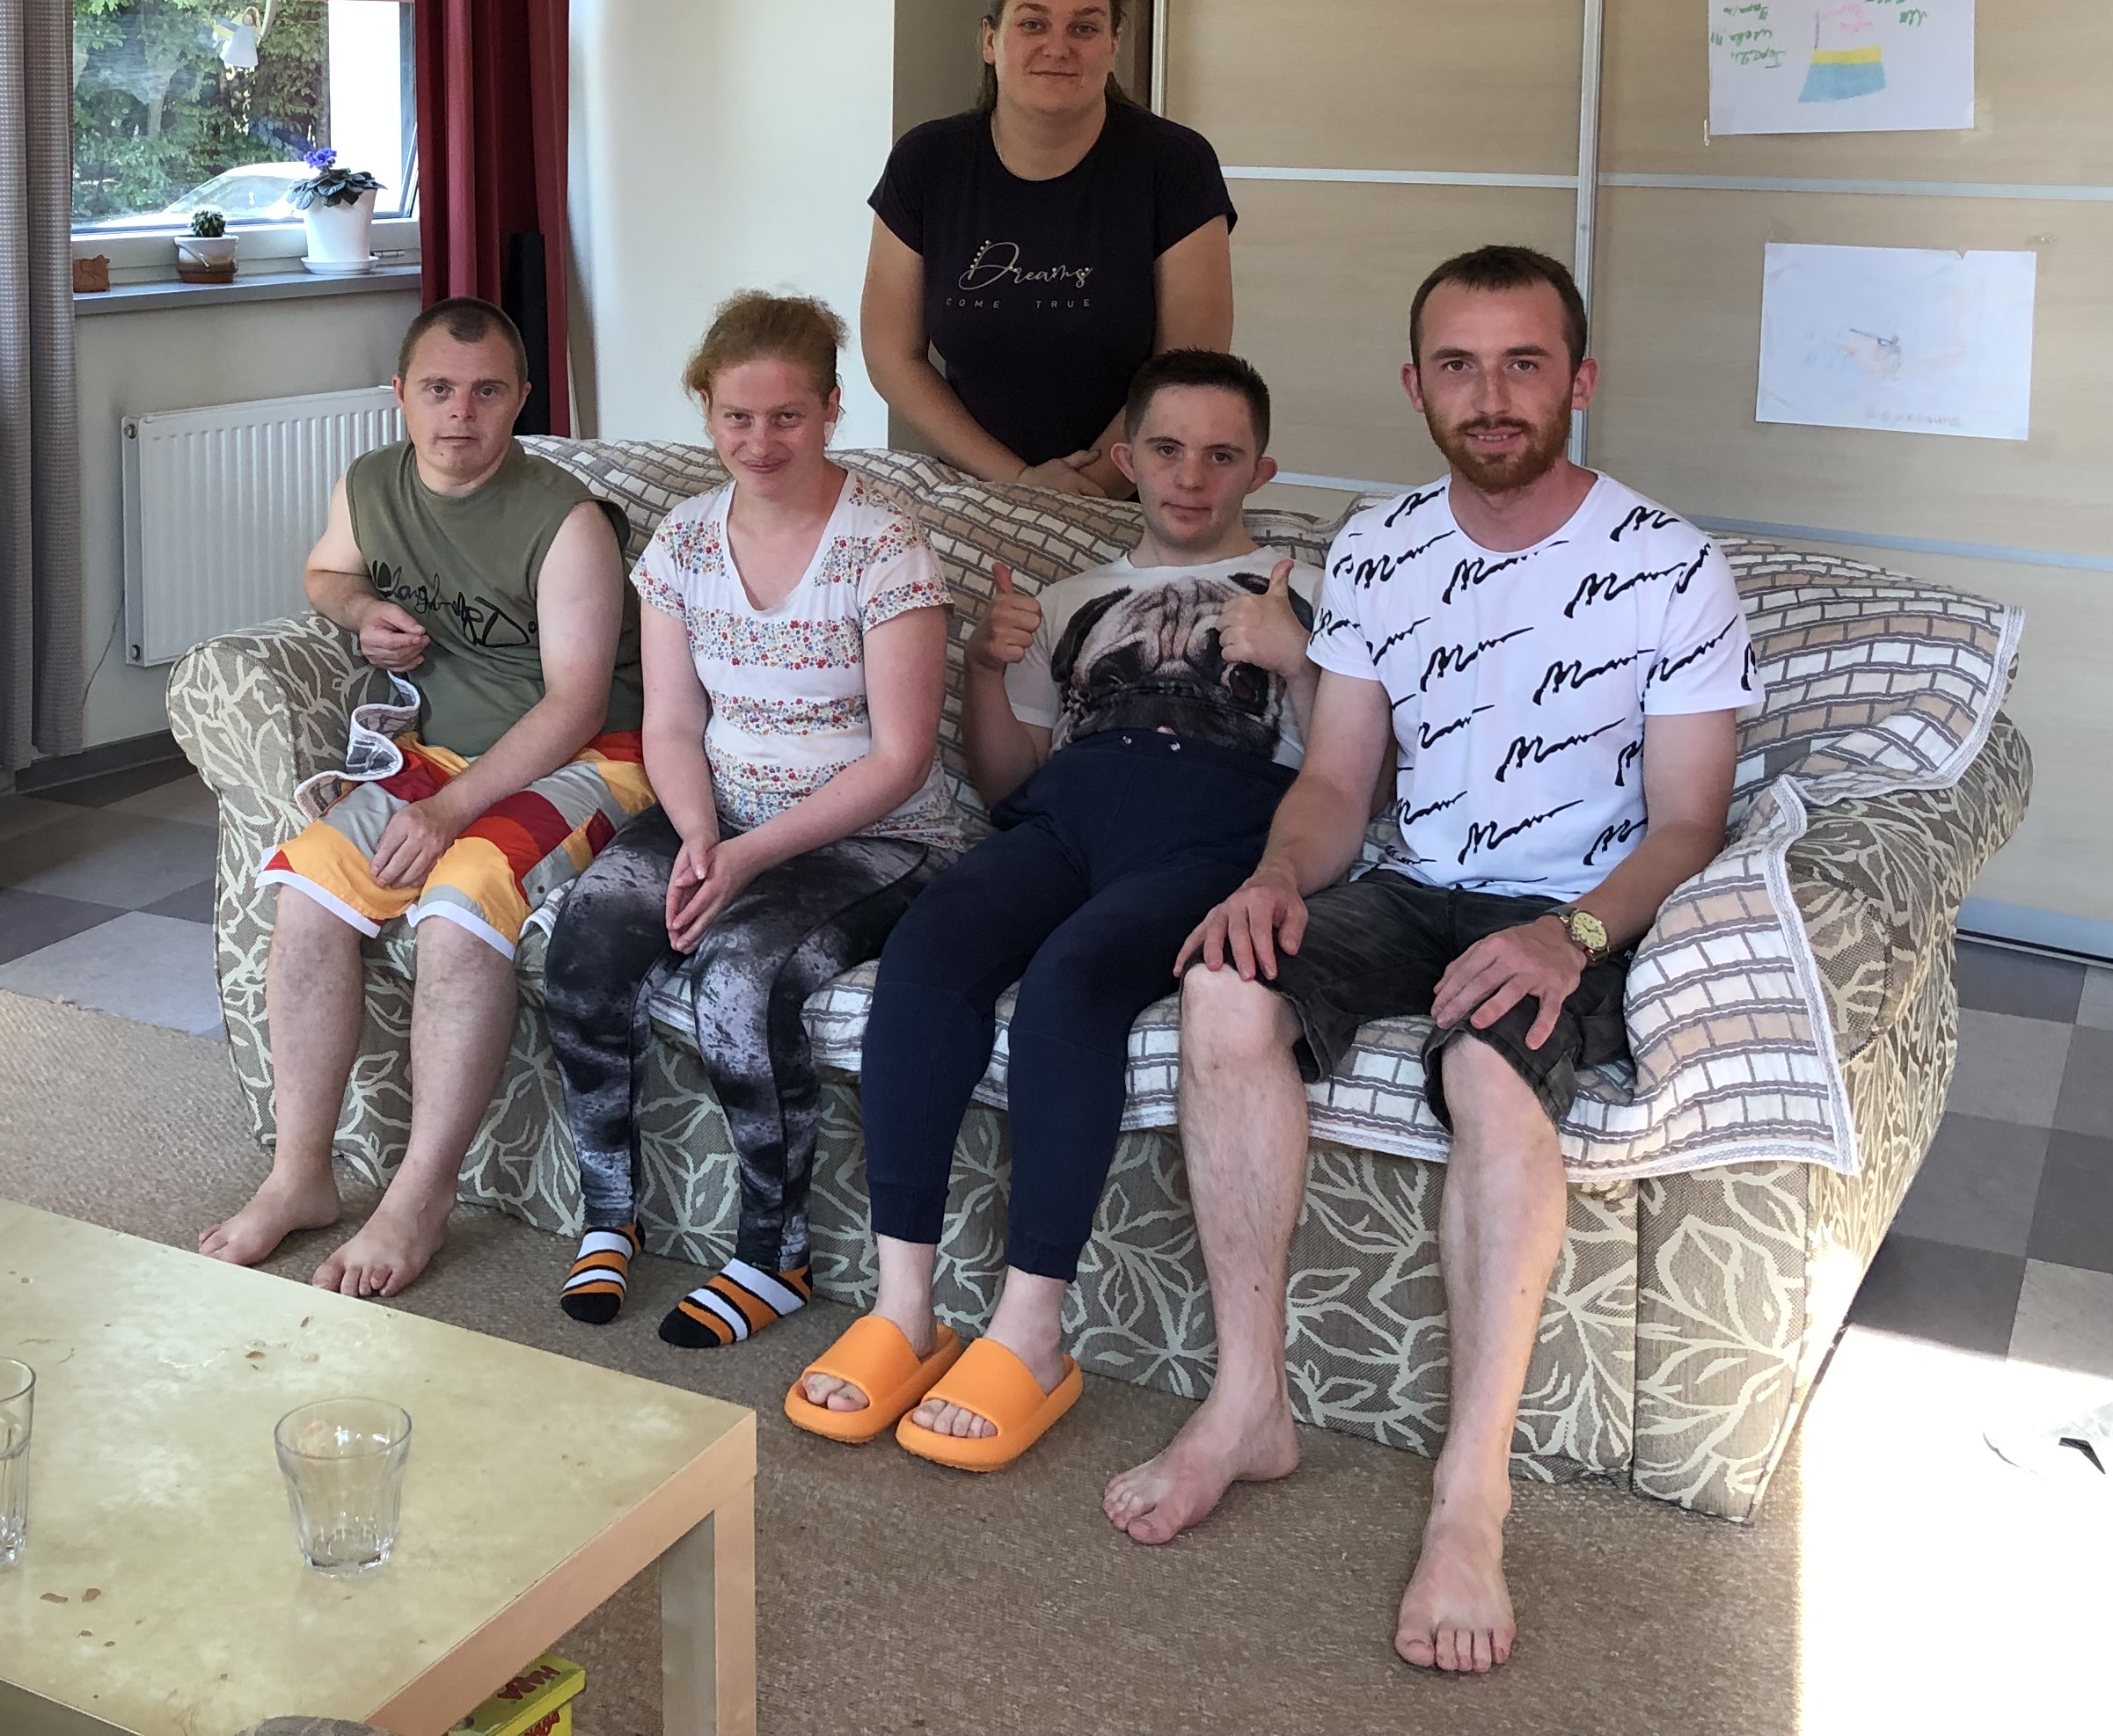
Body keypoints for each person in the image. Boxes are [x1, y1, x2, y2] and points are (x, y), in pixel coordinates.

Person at [1102, 247, 1757, 1681]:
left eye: (1524, 361)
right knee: (1222, 983)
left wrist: (1571, 929)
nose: (1490, 393)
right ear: (1416, 385)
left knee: (1489, 1064)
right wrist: (1273, 877)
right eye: (1456, 364)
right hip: (1405, 884)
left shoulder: (1666, 562)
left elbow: (1689, 816)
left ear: (1578, 378)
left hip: (1566, 900)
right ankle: (1246, 1401)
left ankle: (1471, 1492)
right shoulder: (1383, 545)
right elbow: (1338, 779)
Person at [788, 349, 1317, 1470]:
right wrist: (987, 671)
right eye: (1167, 449)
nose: (1191, 476)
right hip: (1067, 820)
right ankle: (903, 1308)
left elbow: (1356, 781)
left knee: (1073, 982)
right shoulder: (1075, 600)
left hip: (1214, 835)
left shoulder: (1303, 594)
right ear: (1127, 459)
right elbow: (1007, 781)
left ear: (1262, 468)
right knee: (928, 953)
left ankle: (1031, 1332)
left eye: (1223, 455)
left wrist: (1300, 666)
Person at [198, 300, 650, 1302]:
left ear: (522, 401)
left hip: (590, 757)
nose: (461, 414)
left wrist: (448, 817)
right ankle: (301, 1174)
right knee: (309, 892)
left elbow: (577, 703)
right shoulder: (370, 484)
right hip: (437, 748)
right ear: (399, 396)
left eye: (488, 391)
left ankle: (419, 1196)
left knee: (457, 911)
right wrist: (362, 614)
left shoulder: (569, 523)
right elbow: (328, 569)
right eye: (439, 390)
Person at [543, 293, 959, 1352]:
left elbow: (902, 757)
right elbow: (674, 722)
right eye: (737, 417)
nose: (760, 440)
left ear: (830, 407)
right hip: (718, 811)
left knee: (740, 974)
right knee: (587, 931)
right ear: (706, 412)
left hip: (879, 836)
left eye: (786, 416)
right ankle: (609, 1215)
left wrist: (746, 859)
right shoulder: (681, 541)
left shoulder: (886, 547)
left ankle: (775, 1254)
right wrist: (694, 837)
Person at [863, 0, 1236, 496]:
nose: (1057, 46)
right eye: (1033, 24)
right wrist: (1017, 483)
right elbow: (892, 356)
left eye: (1084, 28)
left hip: (1138, 493)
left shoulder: (1176, 166)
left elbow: (1188, 361)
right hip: (974, 491)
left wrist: (1093, 488)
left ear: (1113, 43)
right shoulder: (926, 162)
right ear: (990, 40)